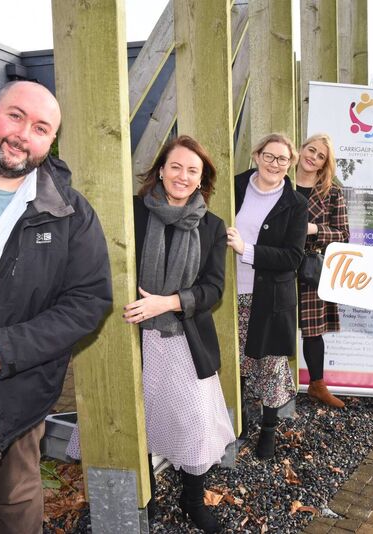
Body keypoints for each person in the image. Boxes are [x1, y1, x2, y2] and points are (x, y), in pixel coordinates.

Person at [0, 81, 112, 534]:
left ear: (51, 140)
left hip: (10, 387)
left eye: (40, 128)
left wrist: (5, 348)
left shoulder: (69, 213)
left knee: (14, 502)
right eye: (15, 116)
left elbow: (89, 301)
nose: (23, 135)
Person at [125, 135, 235, 533]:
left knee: (194, 421)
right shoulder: (132, 212)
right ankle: (147, 495)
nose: (183, 176)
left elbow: (213, 289)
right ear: (160, 170)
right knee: (138, 418)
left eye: (192, 170)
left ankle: (192, 500)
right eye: (176, 167)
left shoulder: (212, 226)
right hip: (132, 334)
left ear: (202, 179)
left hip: (184, 337)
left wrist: (167, 302)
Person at [227, 133, 308, 459]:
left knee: (270, 364)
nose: (275, 164)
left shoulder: (295, 204)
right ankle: (240, 422)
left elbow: (293, 257)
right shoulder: (233, 187)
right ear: (256, 155)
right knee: (235, 361)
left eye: (282, 159)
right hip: (228, 291)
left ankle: (269, 430)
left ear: (291, 164)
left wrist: (247, 250)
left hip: (270, 295)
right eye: (269, 156)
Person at [294, 133, 349, 408]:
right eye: (311, 150)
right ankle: (269, 388)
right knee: (274, 327)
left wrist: (314, 229)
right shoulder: (280, 182)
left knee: (313, 331)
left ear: (325, 164)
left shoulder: (332, 192)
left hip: (311, 267)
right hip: (277, 263)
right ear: (301, 148)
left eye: (320, 156)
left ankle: (317, 385)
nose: (313, 157)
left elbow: (344, 234)